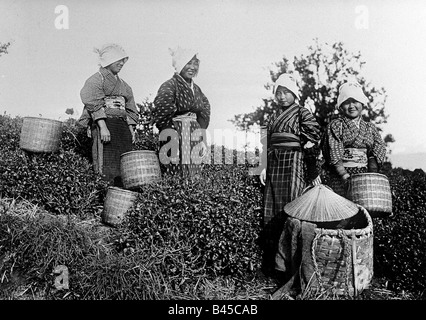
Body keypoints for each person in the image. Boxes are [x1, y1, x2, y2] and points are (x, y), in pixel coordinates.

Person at [259, 73, 322, 275]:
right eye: (279, 92)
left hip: (294, 161)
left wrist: (313, 171)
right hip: (275, 163)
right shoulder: (272, 118)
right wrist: (263, 166)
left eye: (286, 92)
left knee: (293, 208)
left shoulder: (302, 113)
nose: (282, 96)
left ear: (294, 94)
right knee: (273, 208)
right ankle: (273, 266)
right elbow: (265, 143)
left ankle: (292, 266)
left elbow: (312, 141)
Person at [78, 43, 138, 187]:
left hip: (121, 126)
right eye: (119, 60)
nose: (122, 63)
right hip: (104, 123)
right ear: (109, 61)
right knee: (105, 162)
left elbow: (130, 108)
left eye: (123, 60)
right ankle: (103, 194)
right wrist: (103, 127)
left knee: (123, 163)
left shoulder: (124, 85)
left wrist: (131, 129)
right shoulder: (96, 80)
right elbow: (93, 103)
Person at [152, 46, 210, 177]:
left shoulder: (197, 90)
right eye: (188, 63)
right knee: (176, 169)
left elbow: (205, 111)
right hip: (175, 132)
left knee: (195, 170)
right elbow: (162, 111)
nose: (192, 67)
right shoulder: (169, 85)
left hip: (194, 133)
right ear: (179, 65)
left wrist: (201, 136)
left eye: (195, 64)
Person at [322, 81, 387, 197]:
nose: (351, 106)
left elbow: (377, 149)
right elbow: (334, 150)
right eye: (346, 102)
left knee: (364, 209)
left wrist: (372, 171)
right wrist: (343, 174)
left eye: (355, 101)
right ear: (341, 106)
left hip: (364, 176)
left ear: (362, 103)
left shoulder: (370, 128)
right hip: (340, 175)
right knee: (341, 209)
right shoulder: (336, 125)